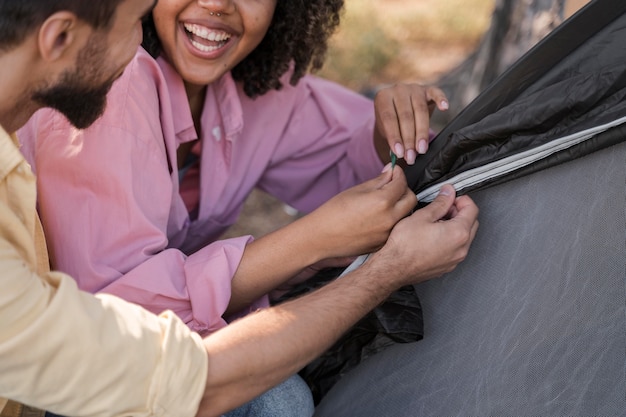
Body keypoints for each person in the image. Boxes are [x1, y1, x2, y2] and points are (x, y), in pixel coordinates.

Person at [2, 1, 479, 416]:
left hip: (113, 358)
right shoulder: (110, 81)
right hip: (81, 373)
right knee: (277, 401)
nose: (216, 3)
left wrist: (388, 133)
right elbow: (122, 333)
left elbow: (348, 163)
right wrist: (316, 244)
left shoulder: (259, 85)